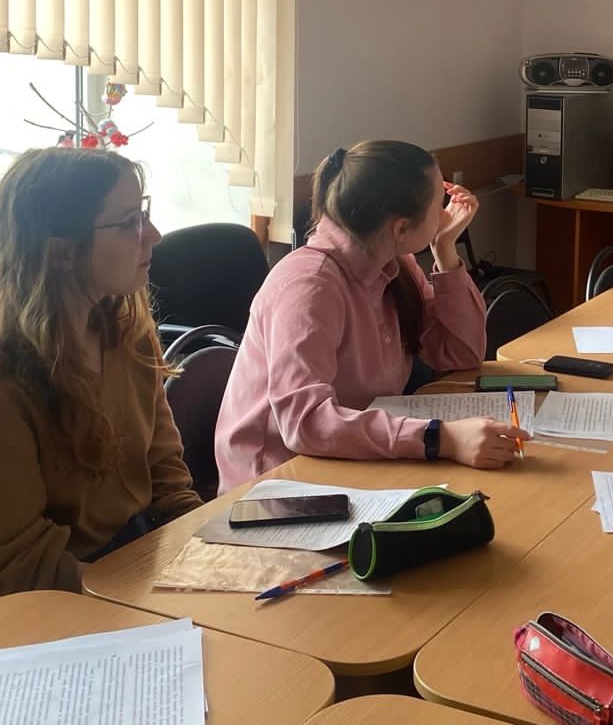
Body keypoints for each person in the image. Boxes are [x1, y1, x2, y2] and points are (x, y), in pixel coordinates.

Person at [0, 149, 200, 614]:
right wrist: (144, 598)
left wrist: (202, 554)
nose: (153, 235)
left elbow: (163, 470)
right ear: (61, 252)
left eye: (144, 213)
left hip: (124, 569)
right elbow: (0, 578)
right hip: (36, 610)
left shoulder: (124, 331)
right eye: (129, 223)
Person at [214, 140, 524, 490]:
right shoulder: (309, 286)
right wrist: (439, 438)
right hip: (280, 481)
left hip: (356, 457)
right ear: (401, 229)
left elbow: (460, 355)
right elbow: (305, 423)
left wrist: (445, 249)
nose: (446, 211)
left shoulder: (395, 263)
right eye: (439, 201)